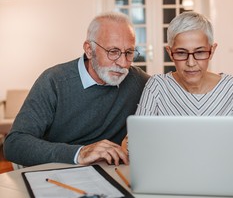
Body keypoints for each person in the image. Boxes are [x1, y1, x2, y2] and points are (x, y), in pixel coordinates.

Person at [3, 11, 150, 167]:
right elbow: (14, 144)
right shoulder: (54, 81)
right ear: (89, 49)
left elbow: (169, 89)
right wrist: (79, 153)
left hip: (105, 172)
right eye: (113, 52)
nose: (122, 62)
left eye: (129, 53)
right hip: (52, 169)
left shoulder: (137, 80)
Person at [135, 11, 233, 151]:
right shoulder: (156, 86)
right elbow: (136, 144)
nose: (191, 63)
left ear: (212, 50)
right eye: (181, 53)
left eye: (200, 52)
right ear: (170, 53)